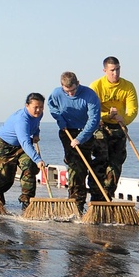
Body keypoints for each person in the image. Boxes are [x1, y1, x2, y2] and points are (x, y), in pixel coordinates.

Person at [47, 71, 101, 212]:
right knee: (75, 166)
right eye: (67, 91)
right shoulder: (56, 93)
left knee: (84, 166)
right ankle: (76, 202)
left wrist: (80, 138)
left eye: (73, 90)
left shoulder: (89, 95)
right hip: (67, 132)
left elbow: (94, 120)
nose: (70, 94)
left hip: (86, 132)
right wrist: (60, 120)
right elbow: (52, 106)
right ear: (62, 86)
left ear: (78, 83)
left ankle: (87, 200)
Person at [89, 56, 139, 198]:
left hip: (119, 126)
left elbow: (133, 110)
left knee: (115, 164)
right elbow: (92, 111)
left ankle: (108, 194)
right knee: (101, 159)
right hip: (100, 126)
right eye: (112, 70)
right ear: (105, 70)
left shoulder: (128, 86)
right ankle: (95, 194)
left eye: (117, 69)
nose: (115, 73)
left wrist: (124, 119)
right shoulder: (96, 86)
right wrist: (106, 115)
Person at [0, 94, 45, 207]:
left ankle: (27, 202)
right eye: (35, 107)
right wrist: (38, 159)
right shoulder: (21, 120)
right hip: (4, 147)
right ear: (27, 106)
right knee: (6, 179)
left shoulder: (39, 115)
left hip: (21, 147)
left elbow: (36, 125)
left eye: (41, 107)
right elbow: (25, 142)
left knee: (30, 169)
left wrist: (36, 133)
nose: (38, 110)